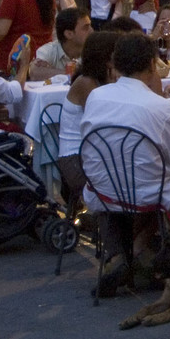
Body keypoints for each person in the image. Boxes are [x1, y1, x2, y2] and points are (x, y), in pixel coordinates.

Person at [80, 34, 170, 291]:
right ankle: (144, 247)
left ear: (115, 65)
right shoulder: (160, 108)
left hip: (103, 192)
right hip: (148, 196)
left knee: (117, 186)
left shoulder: (96, 97)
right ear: (153, 66)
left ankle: (120, 255)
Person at [54, 30, 121, 208]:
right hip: (76, 159)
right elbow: (108, 120)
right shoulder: (86, 83)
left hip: (93, 154)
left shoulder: (101, 80)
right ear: (108, 58)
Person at [33, 7, 92, 80]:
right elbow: (35, 72)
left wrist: (52, 71)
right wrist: (73, 74)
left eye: (90, 26)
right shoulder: (47, 51)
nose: (91, 31)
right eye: (85, 28)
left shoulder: (94, 51)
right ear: (69, 34)